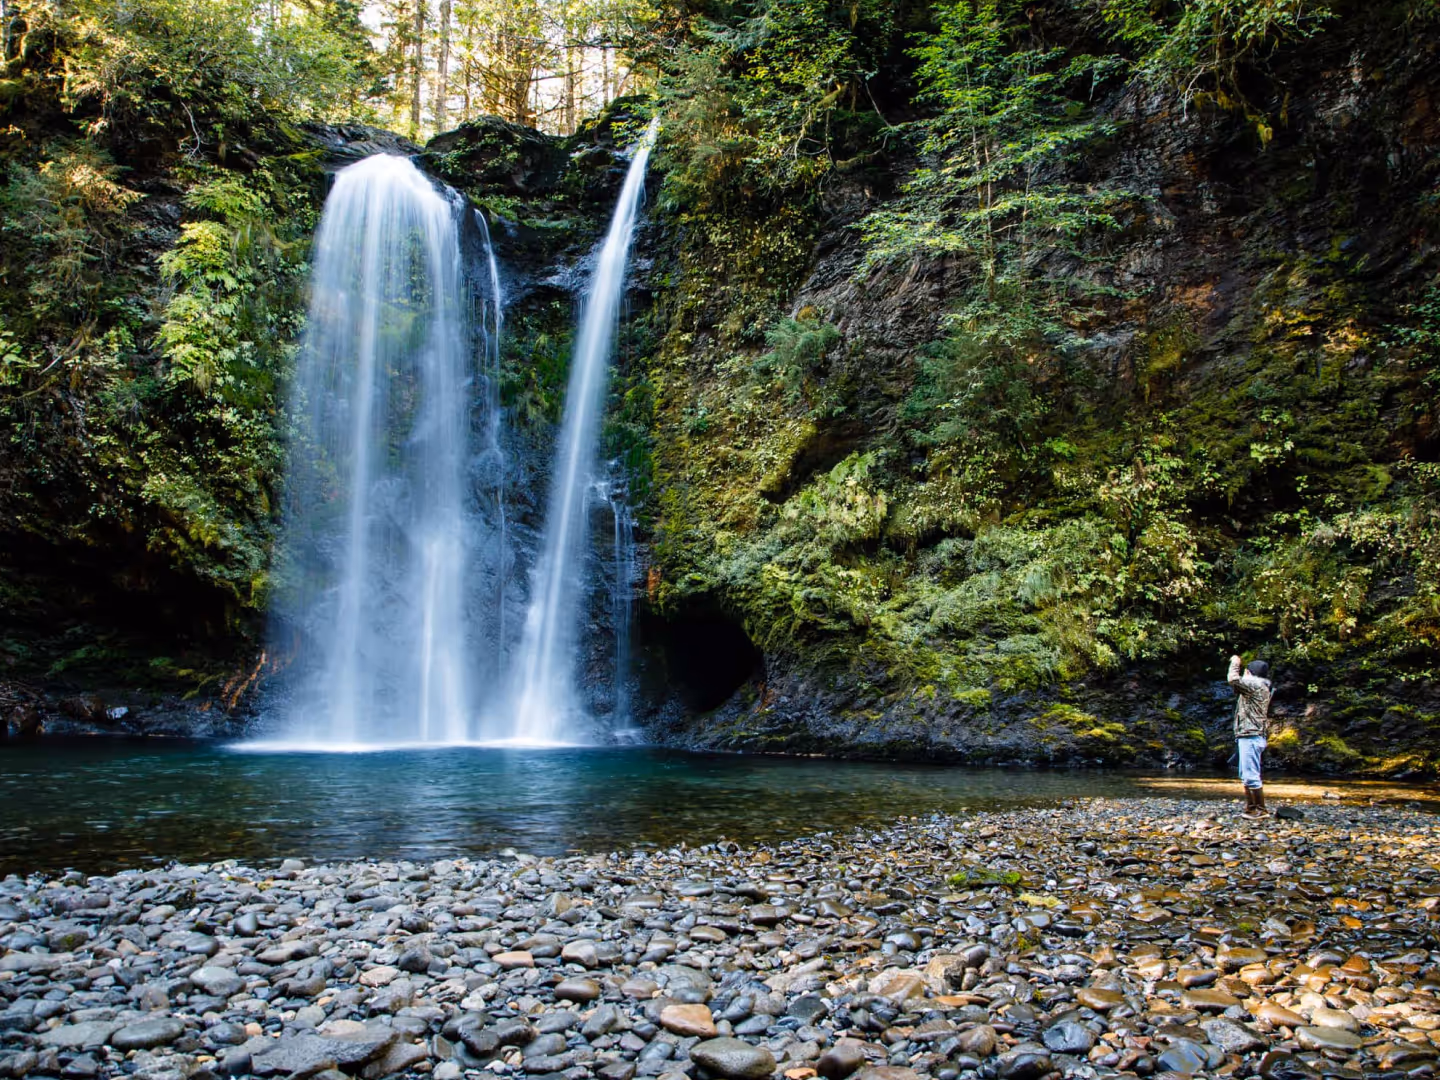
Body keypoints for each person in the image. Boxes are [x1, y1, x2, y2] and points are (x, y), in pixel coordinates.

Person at [1227, 653, 1273, 818]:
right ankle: (1251, 808)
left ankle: (1260, 810)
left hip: (1251, 736)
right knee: (1245, 774)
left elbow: (1233, 679)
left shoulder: (1255, 686)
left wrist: (1235, 662)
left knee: (1250, 775)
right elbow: (1236, 687)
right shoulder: (1259, 687)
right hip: (1250, 736)